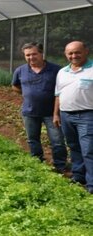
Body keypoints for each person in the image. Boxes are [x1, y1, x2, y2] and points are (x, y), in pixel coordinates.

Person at [12, 42, 67, 173]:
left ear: (41, 53)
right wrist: (28, 95)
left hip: (51, 113)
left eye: (34, 54)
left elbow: (62, 90)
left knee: (57, 140)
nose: (31, 57)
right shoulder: (20, 70)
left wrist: (56, 113)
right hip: (29, 112)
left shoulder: (56, 70)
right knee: (33, 139)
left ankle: (60, 165)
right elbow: (15, 86)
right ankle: (38, 162)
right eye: (27, 55)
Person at [54, 41, 93, 194]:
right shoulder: (62, 72)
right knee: (74, 146)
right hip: (66, 115)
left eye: (77, 52)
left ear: (86, 51)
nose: (74, 56)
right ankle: (78, 176)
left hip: (87, 115)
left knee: (89, 150)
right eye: (70, 53)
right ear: (66, 54)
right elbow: (58, 95)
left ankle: (91, 184)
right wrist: (56, 114)